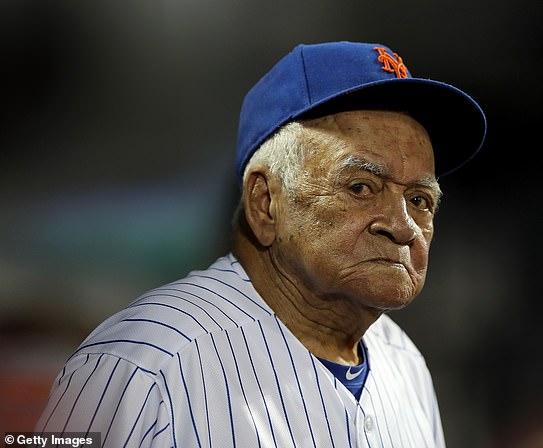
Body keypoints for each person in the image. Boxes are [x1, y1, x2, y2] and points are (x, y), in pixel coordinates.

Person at [37, 41, 486, 447]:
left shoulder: (404, 364)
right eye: (361, 188)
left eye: (420, 199)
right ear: (265, 203)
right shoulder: (146, 362)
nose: (403, 225)